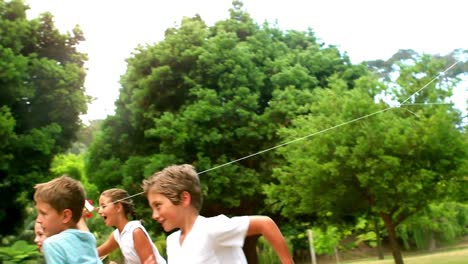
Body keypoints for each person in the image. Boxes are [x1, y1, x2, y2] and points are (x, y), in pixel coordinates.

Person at [142, 164, 295, 264]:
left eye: (158, 205)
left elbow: (264, 223)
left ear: (184, 198)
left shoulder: (211, 228)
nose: (154, 215)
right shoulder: (173, 242)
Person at [34, 175, 102, 263]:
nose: (38, 220)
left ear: (66, 216)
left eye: (43, 213)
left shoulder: (53, 244)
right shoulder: (88, 238)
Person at [97, 188, 166, 264]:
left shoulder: (135, 231)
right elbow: (95, 253)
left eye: (103, 206)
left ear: (118, 207)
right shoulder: (117, 235)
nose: (99, 211)